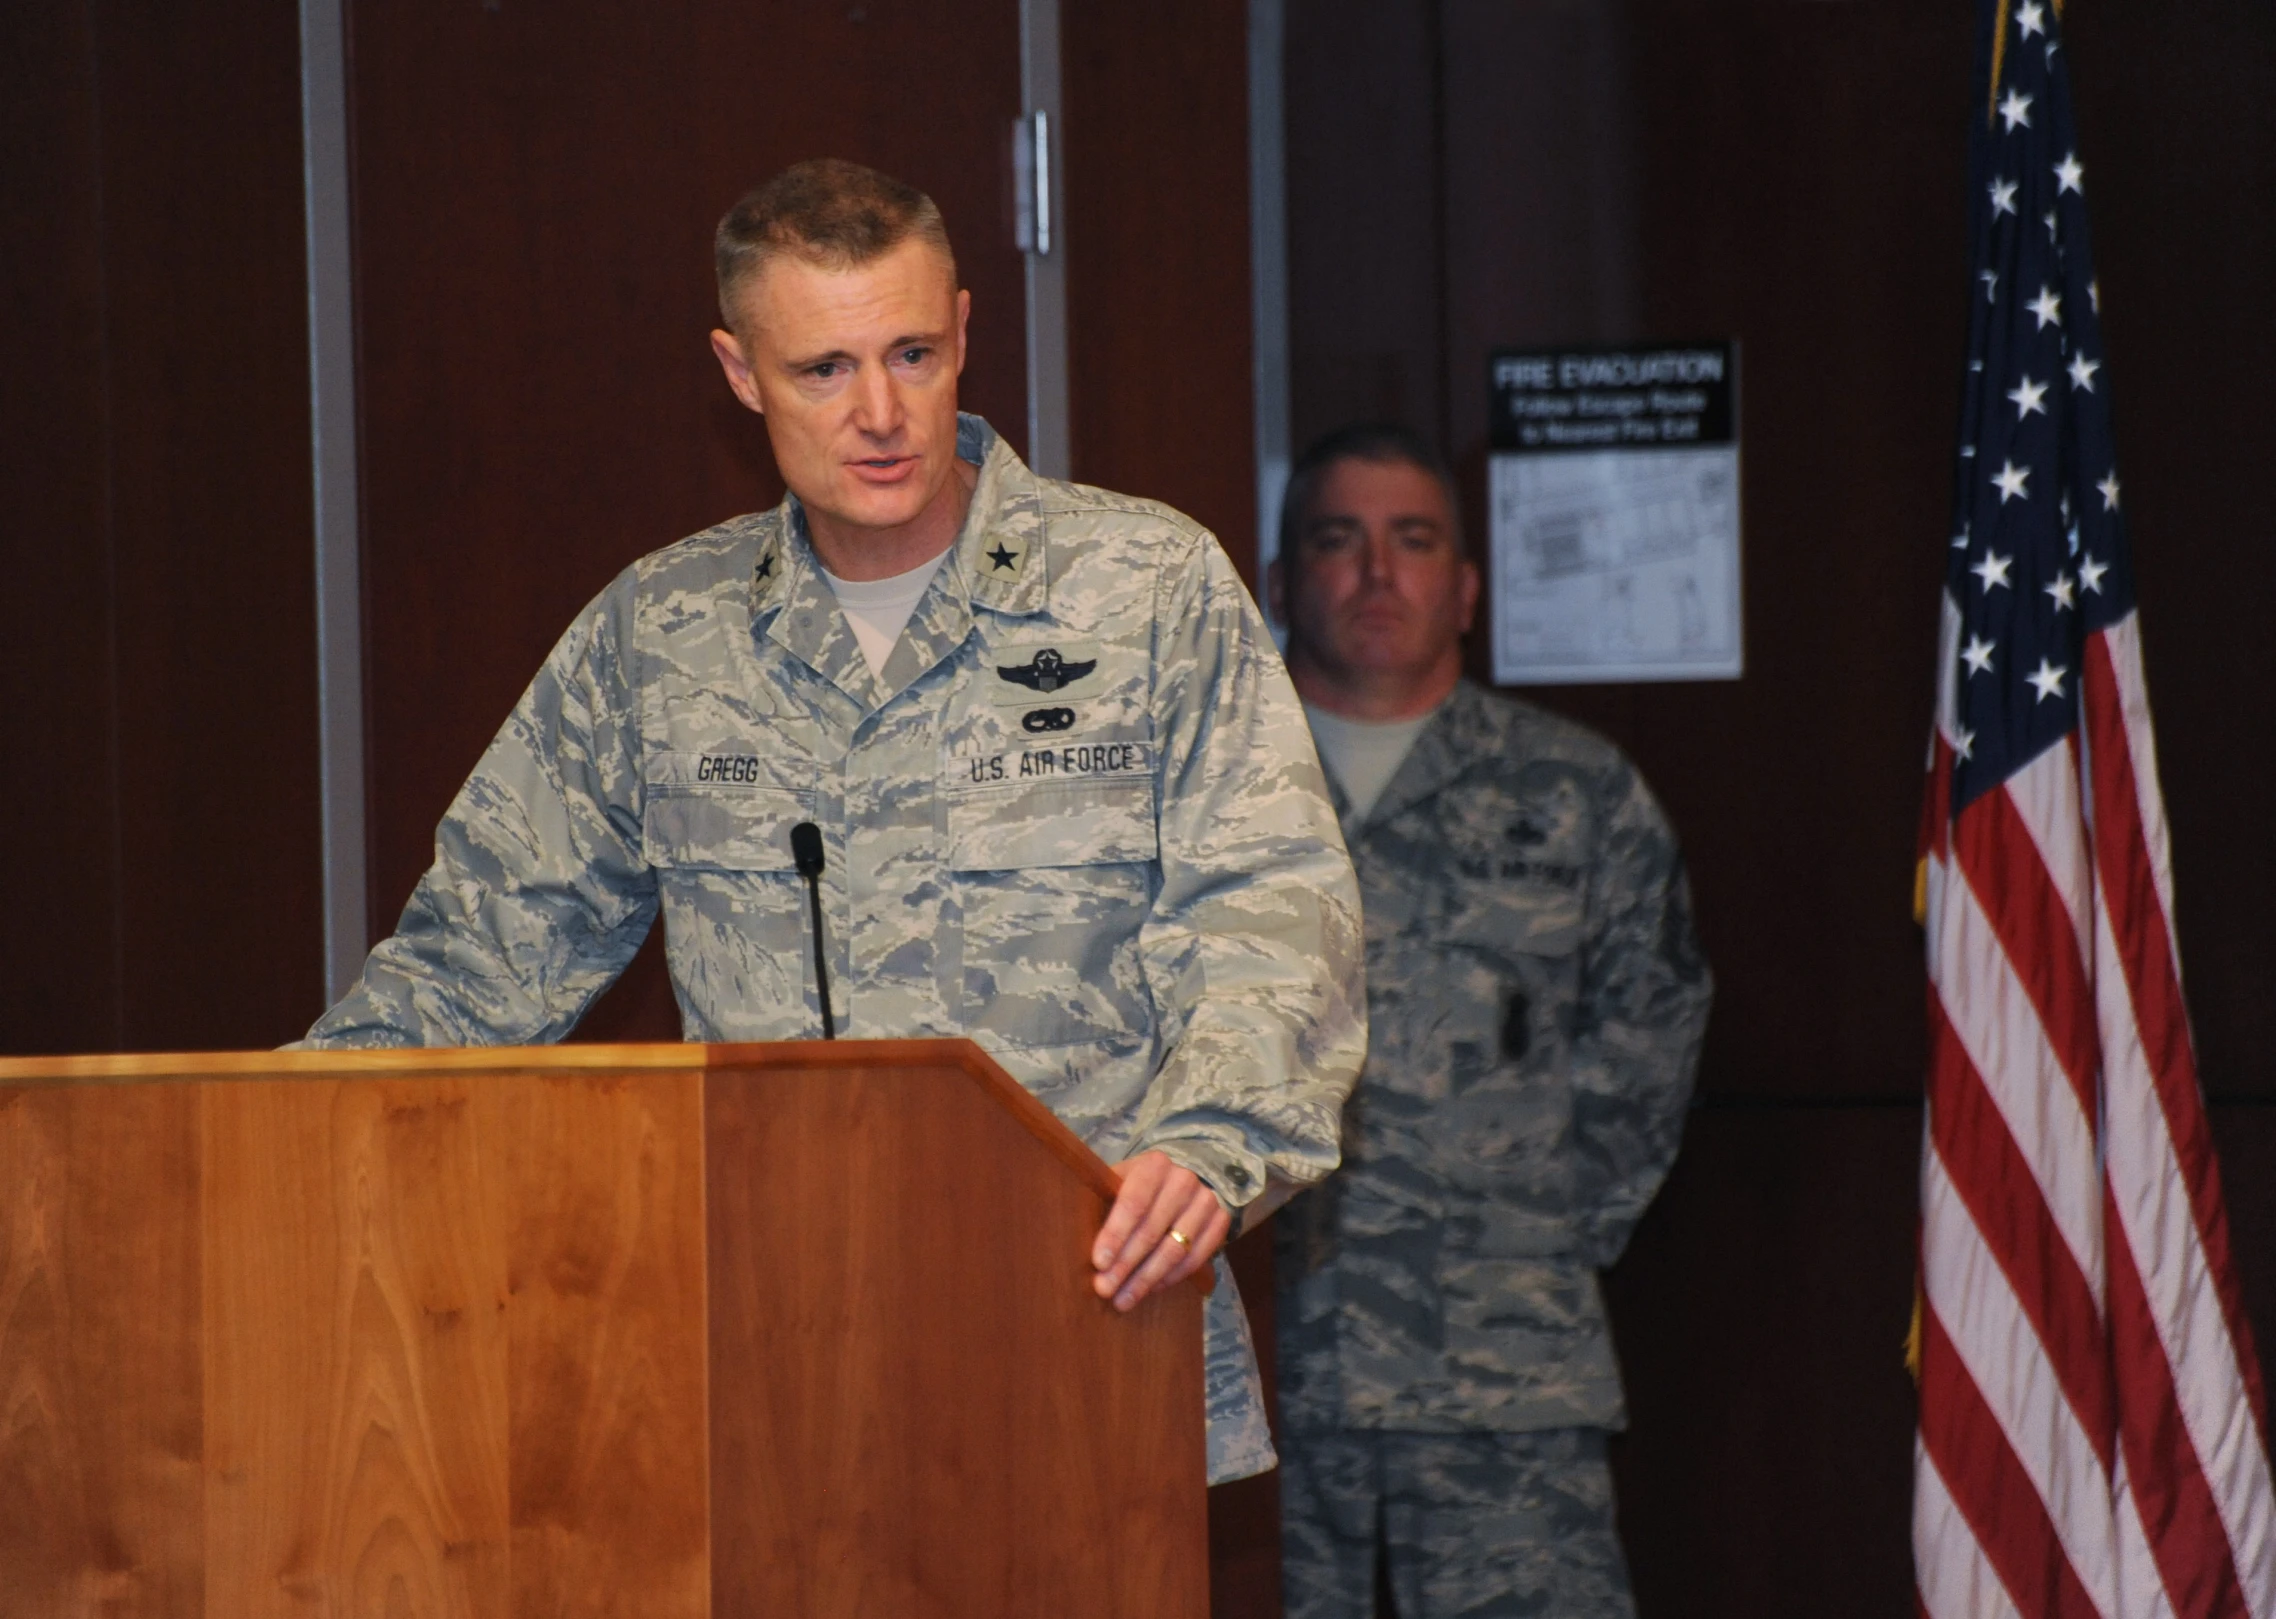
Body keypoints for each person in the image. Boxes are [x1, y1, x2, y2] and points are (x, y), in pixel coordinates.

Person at [299, 159, 1367, 1485]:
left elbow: (1274, 911)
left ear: (967, 331)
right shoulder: (662, 634)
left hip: (1087, 1334)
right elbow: (477, 954)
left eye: (914, 352)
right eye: (823, 368)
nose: (882, 411)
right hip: (759, 1364)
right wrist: (269, 1139)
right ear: (739, 371)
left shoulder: (1149, 590)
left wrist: (1211, 1145)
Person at [1266, 424, 1711, 1616]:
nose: (1374, 573)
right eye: (1336, 540)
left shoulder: (1575, 791)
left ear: (1463, 585)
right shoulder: (1216, 787)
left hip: (1503, 1373)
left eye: (1411, 540)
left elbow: (1650, 1040)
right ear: (1278, 578)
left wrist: (1526, 1233)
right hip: (1256, 1382)